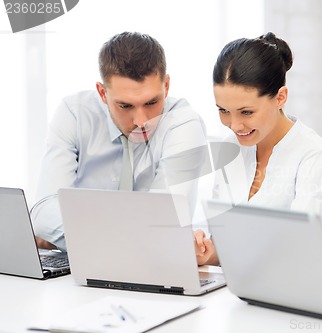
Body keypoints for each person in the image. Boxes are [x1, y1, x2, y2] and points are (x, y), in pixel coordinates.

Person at [32, 32, 207, 252]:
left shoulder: (183, 123)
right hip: (80, 272)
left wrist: (69, 234)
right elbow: (44, 211)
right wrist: (137, 235)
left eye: (152, 102)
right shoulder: (74, 114)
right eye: (125, 106)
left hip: (153, 269)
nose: (142, 121)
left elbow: (164, 221)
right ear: (102, 93)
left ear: (167, 86)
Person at [195, 32, 322, 266]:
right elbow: (224, 245)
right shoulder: (230, 147)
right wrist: (207, 251)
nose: (234, 125)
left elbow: (299, 248)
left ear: (280, 97)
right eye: (223, 111)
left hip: (288, 288)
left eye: (246, 112)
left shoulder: (313, 154)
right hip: (237, 288)